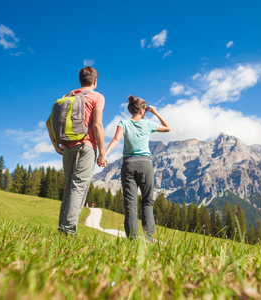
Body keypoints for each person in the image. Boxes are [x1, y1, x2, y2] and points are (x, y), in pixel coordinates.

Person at [46, 66, 107, 235]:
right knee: (79, 188)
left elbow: (48, 122)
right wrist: (102, 152)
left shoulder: (66, 97)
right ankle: (68, 232)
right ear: (95, 81)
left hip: (67, 148)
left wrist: (56, 145)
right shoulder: (97, 96)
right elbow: (97, 125)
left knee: (68, 189)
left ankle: (62, 230)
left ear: (80, 80)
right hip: (85, 146)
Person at [104, 95, 170, 240]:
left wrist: (104, 154)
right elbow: (167, 128)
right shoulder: (148, 124)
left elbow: (116, 139)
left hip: (128, 164)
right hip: (145, 164)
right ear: (142, 110)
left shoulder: (124, 123)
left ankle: (133, 239)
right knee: (147, 201)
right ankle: (149, 238)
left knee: (130, 204)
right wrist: (156, 113)